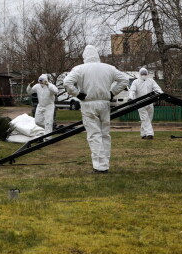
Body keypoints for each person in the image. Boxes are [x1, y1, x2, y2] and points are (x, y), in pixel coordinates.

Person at [64, 45, 129, 173]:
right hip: (105, 103)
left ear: (85, 56)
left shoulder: (79, 69)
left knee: (94, 134)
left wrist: (77, 94)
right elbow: (125, 80)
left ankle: (100, 166)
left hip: (88, 103)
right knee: (105, 134)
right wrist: (112, 93)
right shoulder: (109, 68)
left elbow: (67, 82)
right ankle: (105, 163)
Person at [129, 68, 163, 140]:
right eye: (142, 74)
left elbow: (157, 88)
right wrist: (131, 98)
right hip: (140, 103)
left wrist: (161, 94)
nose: (144, 75)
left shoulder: (151, 81)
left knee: (148, 119)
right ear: (139, 74)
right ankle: (150, 134)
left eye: (145, 74)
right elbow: (132, 90)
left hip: (150, 103)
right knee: (145, 118)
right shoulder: (136, 82)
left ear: (147, 74)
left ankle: (143, 134)